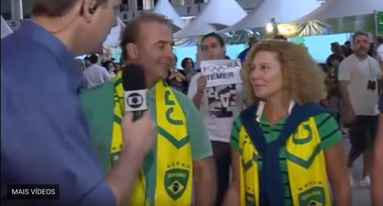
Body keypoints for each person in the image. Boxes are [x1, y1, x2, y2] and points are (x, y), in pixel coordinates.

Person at [1, 0, 156, 206]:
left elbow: (36, 190)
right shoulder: (43, 84)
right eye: (114, 8)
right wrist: (135, 150)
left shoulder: (15, 59)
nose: (114, 23)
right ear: (89, 6)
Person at [81, 13, 216, 206]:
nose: (171, 55)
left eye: (171, 46)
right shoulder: (90, 103)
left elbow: (204, 169)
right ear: (133, 50)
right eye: (161, 46)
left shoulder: (183, 105)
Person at [224, 40, 351, 206]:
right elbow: (236, 187)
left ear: (289, 72)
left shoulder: (320, 121)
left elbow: (340, 186)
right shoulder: (242, 124)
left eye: (265, 68)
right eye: (252, 68)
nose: (254, 75)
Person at [188, 32, 245, 206]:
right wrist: (199, 91)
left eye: (214, 46)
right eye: (205, 48)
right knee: (217, 187)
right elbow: (191, 110)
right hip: (212, 139)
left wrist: (247, 81)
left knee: (241, 184)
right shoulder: (198, 78)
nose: (210, 51)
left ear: (223, 48)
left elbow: (250, 104)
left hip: (238, 136)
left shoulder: (239, 74)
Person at [338, 31, 381, 187]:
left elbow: (377, 83)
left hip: (373, 110)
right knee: (359, 146)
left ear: (369, 44)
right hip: (356, 111)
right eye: (358, 41)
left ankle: (365, 175)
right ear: (353, 44)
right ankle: (348, 168)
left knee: (371, 146)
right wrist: (349, 108)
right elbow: (343, 87)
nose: (362, 44)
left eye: (365, 41)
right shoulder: (347, 63)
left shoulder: (374, 62)